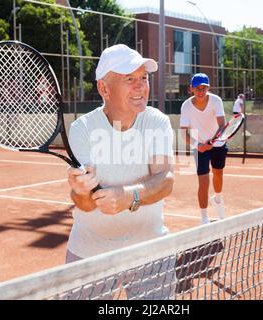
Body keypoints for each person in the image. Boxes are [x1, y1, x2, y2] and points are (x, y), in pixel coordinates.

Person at [66, 44, 175, 299]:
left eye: (143, 78)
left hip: (151, 254)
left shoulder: (157, 121)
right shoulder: (82, 129)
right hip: (89, 256)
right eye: (129, 79)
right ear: (104, 88)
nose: (140, 86)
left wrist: (129, 196)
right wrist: (80, 192)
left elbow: (166, 180)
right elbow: (84, 203)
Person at [180, 73, 227, 225]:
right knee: (204, 181)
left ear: (208, 88)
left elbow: (222, 125)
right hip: (199, 147)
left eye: (204, 88)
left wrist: (215, 140)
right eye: (197, 88)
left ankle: (218, 199)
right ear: (191, 89)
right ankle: (204, 217)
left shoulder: (216, 101)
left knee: (218, 174)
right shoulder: (186, 106)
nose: (201, 91)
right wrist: (198, 145)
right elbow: (183, 133)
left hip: (218, 145)